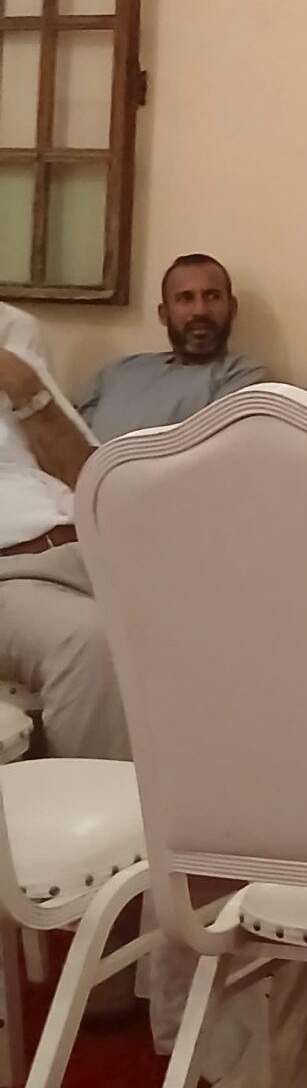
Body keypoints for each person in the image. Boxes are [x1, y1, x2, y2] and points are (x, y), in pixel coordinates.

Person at [0, 304, 126, 758]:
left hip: (89, 546)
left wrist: (26, 390)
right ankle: (98, 802)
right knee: (92, 643)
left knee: (229, 607)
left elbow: (91, 480)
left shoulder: (13, 330)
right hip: (11, 574)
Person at [79, 254, 267, 438]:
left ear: (232, 308)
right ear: (164, 314)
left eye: (212, 296)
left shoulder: (243, 376)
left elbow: (216, 451)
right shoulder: (116, 372)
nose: (200, 310)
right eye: (185, 298)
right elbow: (77, 442)